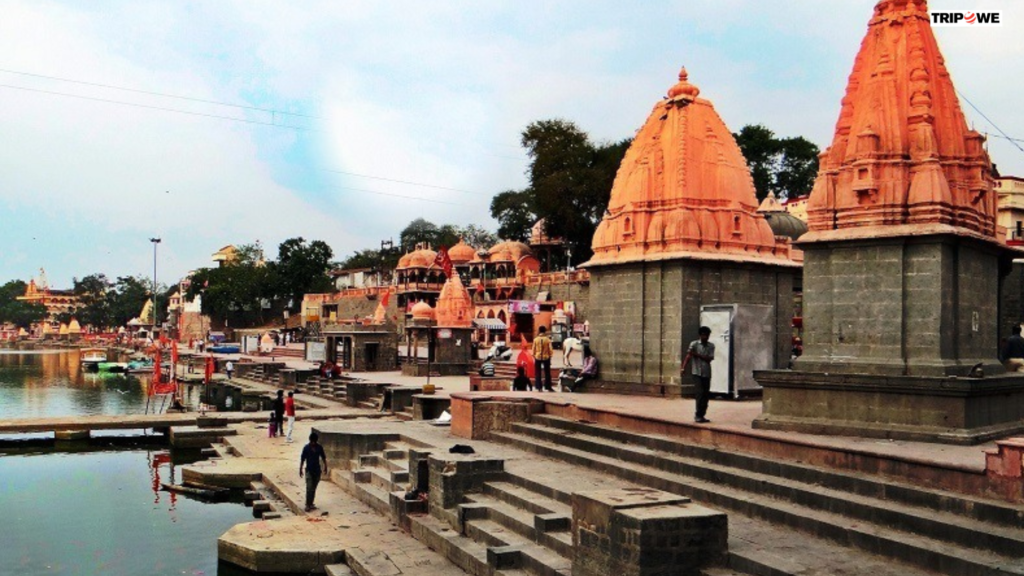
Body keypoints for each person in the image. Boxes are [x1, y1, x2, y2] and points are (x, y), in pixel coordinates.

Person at [682, 326, 715, 423]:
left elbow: (709, 359)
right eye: (704, 335)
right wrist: (683, 367)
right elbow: (688, 356)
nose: (706, 337)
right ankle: (698, 414)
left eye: (707, 335)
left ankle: (702, 414)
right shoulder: (694, 344)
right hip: (697, 372)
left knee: (706, 394)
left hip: (706, 372)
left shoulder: (711, 346)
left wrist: (697, 355)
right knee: (700, 393)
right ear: (700, 335)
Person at [299, 432, 328, 512]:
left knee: (313, 488)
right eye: (312, 442)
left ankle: (311, 503)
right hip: (309, 470)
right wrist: (300, 469)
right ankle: (307, 504)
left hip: (317, 470)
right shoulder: (306, 448)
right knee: (309, 487)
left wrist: (325, 467)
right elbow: (302, 459)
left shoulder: (319, 448)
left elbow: (323, 457)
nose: (313, 443)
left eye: (314, 442)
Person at [532, 326, 554, 392]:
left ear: (539, 331)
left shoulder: (535, 339)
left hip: (537, 357)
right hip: (546, 357)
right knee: (547, 372)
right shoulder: (547, 339)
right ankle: (548, 387)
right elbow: (550, 350)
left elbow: (533, 350)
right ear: (545, 331)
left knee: (538, 372)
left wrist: (534, 356)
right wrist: (550, 356)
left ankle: (539, 387)